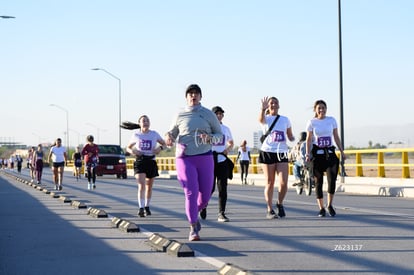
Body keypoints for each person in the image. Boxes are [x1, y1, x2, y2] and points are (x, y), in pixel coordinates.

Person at [165, 84, 222, 241]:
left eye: (196, 93)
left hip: (205, 157)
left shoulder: (208, 114)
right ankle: (193, 227)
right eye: (190, 94)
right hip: (185, 158)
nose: (193, 96)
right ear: (186, 97)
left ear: (200, 97)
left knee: (204, 197)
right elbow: (172, 133)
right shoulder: (180, 114)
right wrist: (169, 137)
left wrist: (210, 138)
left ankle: (193, 214)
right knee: (191, 193)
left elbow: (220, 135)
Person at [305, 99, 346, 217]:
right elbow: (308, 140)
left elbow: (336, 137)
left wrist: (342, 151)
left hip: (330, 153)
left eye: (323, 108)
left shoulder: (331, 120)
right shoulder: (311, 122)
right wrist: (308, 154)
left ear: (326, 109)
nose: (321, 110)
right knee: (318, 182)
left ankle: (330, 205)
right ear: (315, 110)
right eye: (319, 108)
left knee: (332, 180)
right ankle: (321, 208)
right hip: (317, 155)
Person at [259, 96, 295, 219]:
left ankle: (280, 203)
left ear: (279, 105)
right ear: (268, 106)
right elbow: (260, 120)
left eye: (275, 103)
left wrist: (293, 139)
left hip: (282, 152)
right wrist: (262, 109)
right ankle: (269, 209)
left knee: (284, 183)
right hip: (268, 151)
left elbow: (290, 135)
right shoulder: (266, 118)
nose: (273, 105)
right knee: (270, 182)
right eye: (271, 103)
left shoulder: (285, 119)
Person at [126, 115, 167, 218]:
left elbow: (165, 144)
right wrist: (133, 151)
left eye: (147, 120)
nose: (145, 122)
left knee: (149, 187)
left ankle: (147, 206)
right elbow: (128, 148)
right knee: (141, 185)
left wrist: (160, 148)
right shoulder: (136, 134)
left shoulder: (154, 134)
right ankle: (141, 208)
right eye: (143, 121)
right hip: (140, 161)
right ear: (139, 123)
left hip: (151, 161)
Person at [200, 106, 234, 222]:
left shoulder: (225, 129)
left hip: (222, 160)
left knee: (222, 187)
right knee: (210, 187)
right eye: (217, 114)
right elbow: (201, 142)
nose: (219, 116)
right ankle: (203, 205)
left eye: (221, 114)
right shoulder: (208, 128)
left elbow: (231, 142)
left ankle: (221, 213)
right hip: (210, 159)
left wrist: (227, 150)